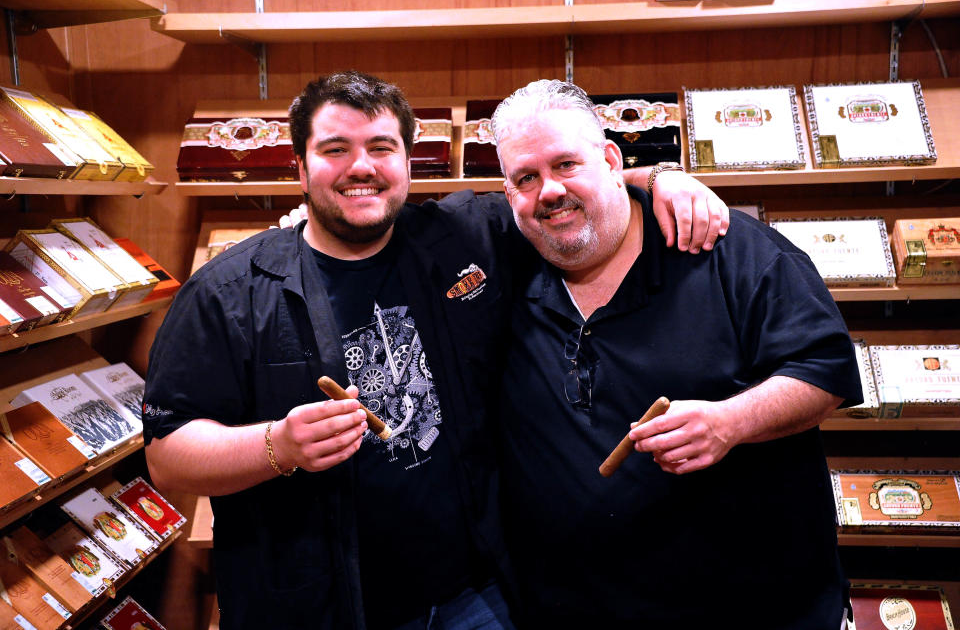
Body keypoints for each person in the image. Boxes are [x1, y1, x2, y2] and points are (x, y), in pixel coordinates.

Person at [141, 71, 728, 630]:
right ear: (300, 167)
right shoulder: (230, 291)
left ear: (406, 161)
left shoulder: (463, 235)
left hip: (476, 596)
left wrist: (656, 178)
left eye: (381, 147)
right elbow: (167, 455)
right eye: (335, 150)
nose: (361, 168)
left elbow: (557, 188)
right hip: (318, 608)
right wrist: (277, 445)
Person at [489, 80, 862, 628]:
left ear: (611, 159)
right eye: (526, 177)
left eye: (567, 164)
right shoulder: (503, 262)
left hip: (755, 609)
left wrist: (730, 421)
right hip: (572, 607)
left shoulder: (728, 248)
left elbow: (826, 369)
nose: (548, 191)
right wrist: (655, 174)